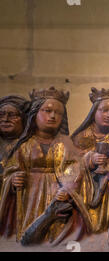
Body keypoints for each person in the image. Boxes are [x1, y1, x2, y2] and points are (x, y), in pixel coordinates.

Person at [0, 87, 91, 245]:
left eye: (58, 113)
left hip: (57, 194)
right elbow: (11, 169)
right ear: (35, 113)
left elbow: (75, 168)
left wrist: (68, 189)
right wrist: (13, 179)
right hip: (30, 196)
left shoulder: (66, 142)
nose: (53, 116)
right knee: (31, 234)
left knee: (55, 231)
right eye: (47, 111)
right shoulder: (24, 144)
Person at [71, 87, 109, 233]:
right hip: (82, 186)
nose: (108, 115)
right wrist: (90, 159)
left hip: (105, 189)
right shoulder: (81, 137)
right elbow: (68, 165)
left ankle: (103, 225)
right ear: (94, 111)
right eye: (104, 110)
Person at [0, 95, 29, 238]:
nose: (5, 119)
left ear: (23, 119)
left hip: (18, 208)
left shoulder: (29, 146)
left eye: (12, 115)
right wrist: (8, 180)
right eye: (1, 115)